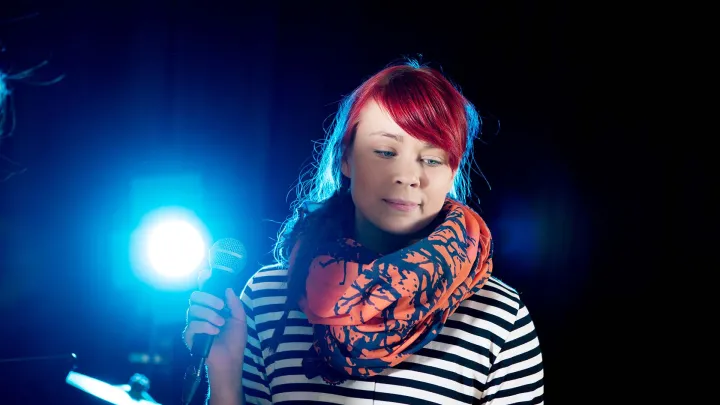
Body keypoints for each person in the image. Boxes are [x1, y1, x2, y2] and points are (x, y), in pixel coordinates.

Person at [184, 60, 544, 405]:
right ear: (345, 158)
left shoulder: (498, 317)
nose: (408, 176)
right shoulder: (267, 299)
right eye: (385, 152)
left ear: (452, 172)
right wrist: (224, 372)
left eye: (432, 159)